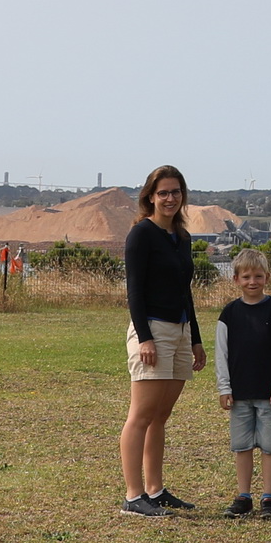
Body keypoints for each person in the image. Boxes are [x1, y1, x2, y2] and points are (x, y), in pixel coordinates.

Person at [117, 164, 205, 516]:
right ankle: (133, 496)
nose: (170, 198)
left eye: (176, 192)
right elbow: (134, 292)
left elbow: (186, 293)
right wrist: (146, 338)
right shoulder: (142, 234)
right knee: (140, 415)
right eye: (163, 193)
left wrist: (196, 339)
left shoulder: (181, 237)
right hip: (152, 330)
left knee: (160, 417)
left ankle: (155, 490)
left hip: (181, 331)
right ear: (150, 197)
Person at [212, 249, 271, 517]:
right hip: (239, 394)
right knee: (242, 446)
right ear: (236, 279)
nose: (252, 281)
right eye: (246, 276)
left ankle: (268, 498)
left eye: (258, 276)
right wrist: (224, 388)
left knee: (270, 447)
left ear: (267, 277)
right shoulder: (229, 314)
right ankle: (243, 496)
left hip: (269, 395)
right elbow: (220, 354)